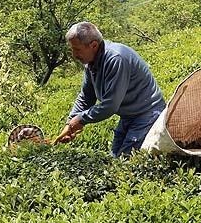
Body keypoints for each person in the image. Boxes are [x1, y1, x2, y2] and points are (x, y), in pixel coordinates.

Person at [54, 22, 165, 157]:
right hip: (128, 116)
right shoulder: (91, 63)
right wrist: (70, 124)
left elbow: (110, 105)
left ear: (93, 45)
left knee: (126, 161)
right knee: (114, 157)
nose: (73, 54)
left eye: (77, 49)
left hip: (147, 113)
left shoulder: (115, 59)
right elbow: (86, 96)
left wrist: (81, 119)